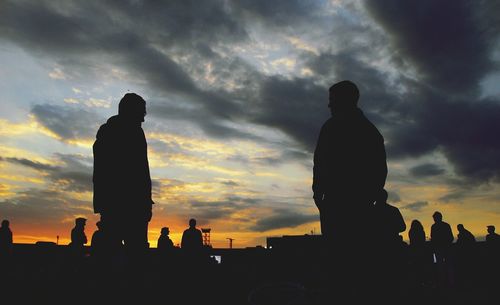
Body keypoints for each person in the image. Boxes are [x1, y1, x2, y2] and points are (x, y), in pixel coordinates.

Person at [312, 80, 387, 301]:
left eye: (332, 100)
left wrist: (319, 193)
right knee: (354, 265)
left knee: (342, 265)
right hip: (353, 204)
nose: (329, 105)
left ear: (346, 100)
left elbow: (320, 162)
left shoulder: (333, 127)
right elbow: (379, 172)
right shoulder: (370, 131)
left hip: (340, 205)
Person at [92, 93, 154, 256]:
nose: (143, 119)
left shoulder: (106, 132)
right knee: (134, 255)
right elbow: (140, 172)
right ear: (131, 111)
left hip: (114, 205)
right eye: (142, 113)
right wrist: (145, 203)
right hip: (130, 206)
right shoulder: (133, 133)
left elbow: (100, 175)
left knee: (113, 254)